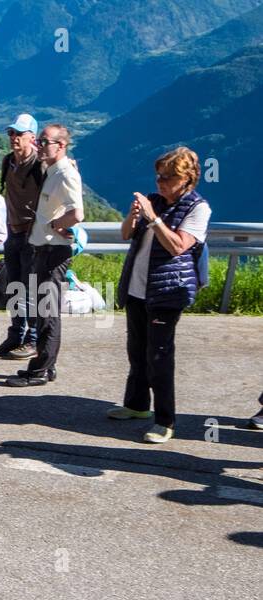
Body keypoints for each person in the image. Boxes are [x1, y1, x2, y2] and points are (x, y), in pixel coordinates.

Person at [108, 147, 211, 444]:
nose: (160, 182)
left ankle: (165, 420)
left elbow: (179, 246)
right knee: (136, 349)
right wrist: (134, 215)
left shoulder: (198, 208)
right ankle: (137, 405)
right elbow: (126, 234)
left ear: (187, 179)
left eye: (168, 177)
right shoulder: (154, 201)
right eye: (159, 175)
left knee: (160, 356)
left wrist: (153, 219)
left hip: (167, 292)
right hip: (138, 287)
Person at [6, 123, 84, 388]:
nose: (39, 145)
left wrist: (55, 226)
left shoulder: (65, 173)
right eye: (38, 140)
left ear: (60, 146)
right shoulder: (52, 170)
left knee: (48, 313)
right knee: (42, 311)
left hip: (53, 251)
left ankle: (41, 369)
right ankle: (45, 365)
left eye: (44, 141)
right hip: (43, 248)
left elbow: (77, 213)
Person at [0, 114, 47, 359]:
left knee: (32, 289)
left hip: (32, 236)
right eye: (11, 133)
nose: (13, 138)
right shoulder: (7, 162)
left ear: (32, 138)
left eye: (19, 134)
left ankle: (33, 339)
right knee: (14, 287)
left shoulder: (40, 166)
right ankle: (15, 335)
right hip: (13, 233)